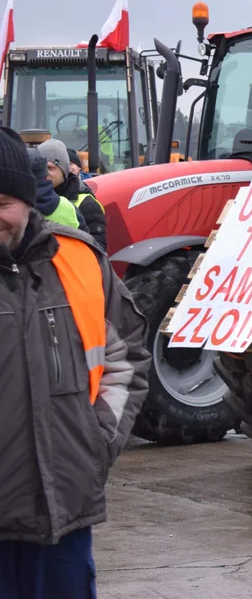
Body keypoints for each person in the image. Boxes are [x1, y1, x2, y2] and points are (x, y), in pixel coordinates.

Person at [0, 126, 151, 598]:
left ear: (28, 199)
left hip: (62, 508)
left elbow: (125, 357)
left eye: (2, 201)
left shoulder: (82, 262)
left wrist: (96, 440)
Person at [40, 138, 107, 252]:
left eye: (50, 168)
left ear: (64, 170)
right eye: (41, 168)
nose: (45, 173)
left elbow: (98, 251)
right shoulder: (29, 197)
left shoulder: (87, 204)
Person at [26, 147, 88, 233]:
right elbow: (89, 242)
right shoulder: (69, 208)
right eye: (46, 168)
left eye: (51, 168)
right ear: (44, 175)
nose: (49, 173)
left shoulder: (10, 206)